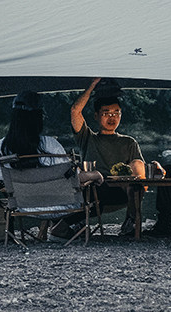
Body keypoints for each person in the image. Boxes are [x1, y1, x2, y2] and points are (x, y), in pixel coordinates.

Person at [70, 77, 160, 236]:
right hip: (94, 191)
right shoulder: (88, 137)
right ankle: (79, 221)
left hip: (123, 192)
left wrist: (156, 167)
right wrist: (92, 85)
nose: (112, 117)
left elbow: (140, 174)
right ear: (96, 116)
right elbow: (75, 111)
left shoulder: (129, 142)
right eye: (106, 113)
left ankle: (131, 221)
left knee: (137, 165)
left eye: (116, 113)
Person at [0, 90, 79, 241]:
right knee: (91, 190)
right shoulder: (51, 144)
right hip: (60, 206)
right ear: (38, 118)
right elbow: (68, 177)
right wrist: (93, 175)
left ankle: (45, 232)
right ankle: (64, 229)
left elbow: (1, 179)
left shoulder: (2, 146)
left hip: (20, 206)